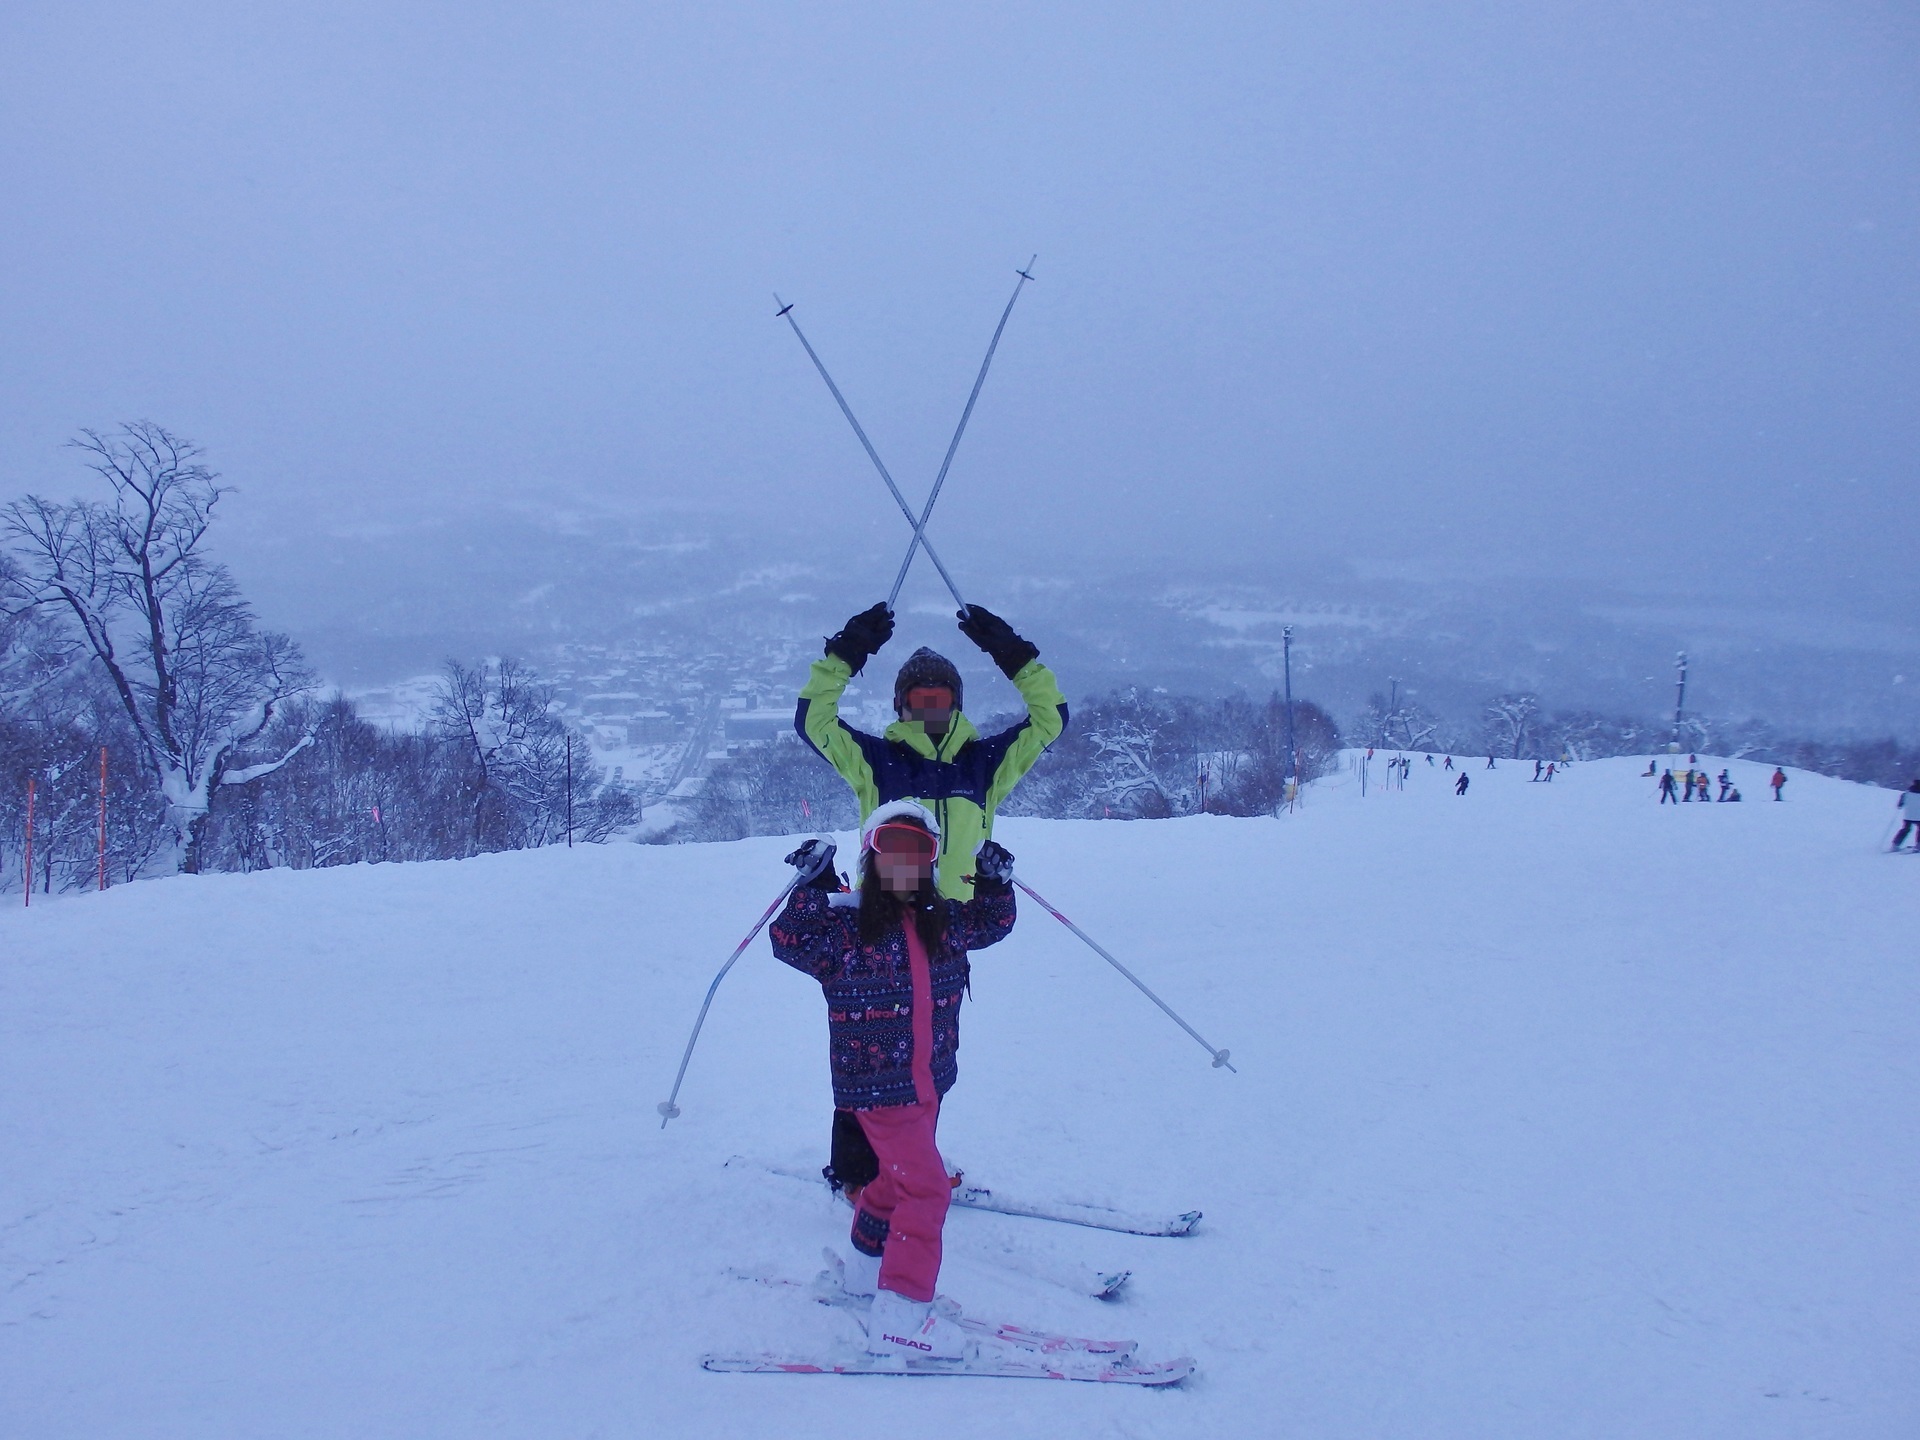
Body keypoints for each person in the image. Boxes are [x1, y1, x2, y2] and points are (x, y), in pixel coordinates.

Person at [797, 601, 1067, 1196]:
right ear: (901, 707)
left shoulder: (985, 764)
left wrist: (1012, 653)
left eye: (940, 700)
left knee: (929, 1056)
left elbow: (1050, 720)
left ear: (956, 705)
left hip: (950, 927)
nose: (930, 710)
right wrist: (846, 653)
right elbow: (815, 721)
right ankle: (854, 1174)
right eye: (919, 701)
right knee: (869, 1047)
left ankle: (912, 1162)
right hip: (881, 922)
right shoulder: (876, 760)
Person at [771, 804, 1017, 1360]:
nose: (905, 864)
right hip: (879, 1085)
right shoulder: (846, 929)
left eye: (918, 852)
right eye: (892, 850)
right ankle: (902, 1316)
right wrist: (810, 886)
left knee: (894, 1182)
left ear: (931, 861)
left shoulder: (943, 920)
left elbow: (991, 923)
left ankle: (862, 1277)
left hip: (929, 1079)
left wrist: (996, 884)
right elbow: (789, 939)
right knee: (926, 1189)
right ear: (872, 857)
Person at [1892, 779, 1920, 851]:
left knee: (1905, 829)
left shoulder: (1906, 793)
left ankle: (1895, 844)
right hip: (1919, 816)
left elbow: (1900, 805)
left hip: (1908, 816)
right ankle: (1918, 845)